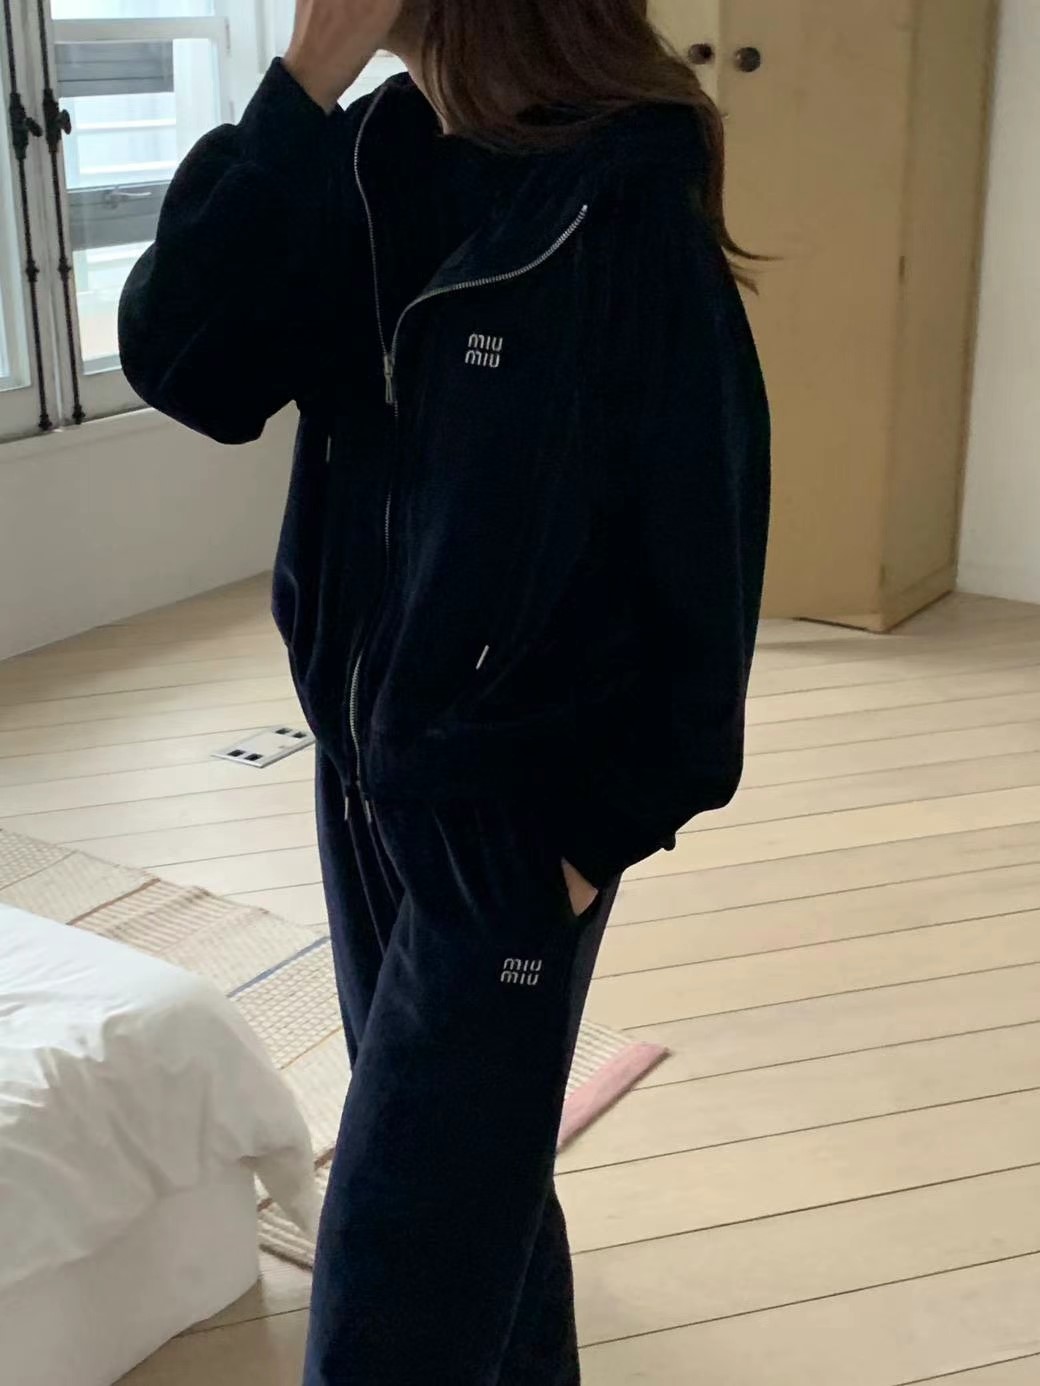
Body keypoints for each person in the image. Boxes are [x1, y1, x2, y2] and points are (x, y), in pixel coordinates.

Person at [118, 0, 770, 1380]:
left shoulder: (615, 196)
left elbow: (704, 557)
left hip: (515, 819)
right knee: (469, 1161)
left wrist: (586, 839)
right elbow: (188, 364)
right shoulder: (368, 156)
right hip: (363, 775)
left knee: (398, 1248)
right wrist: (302, 81)